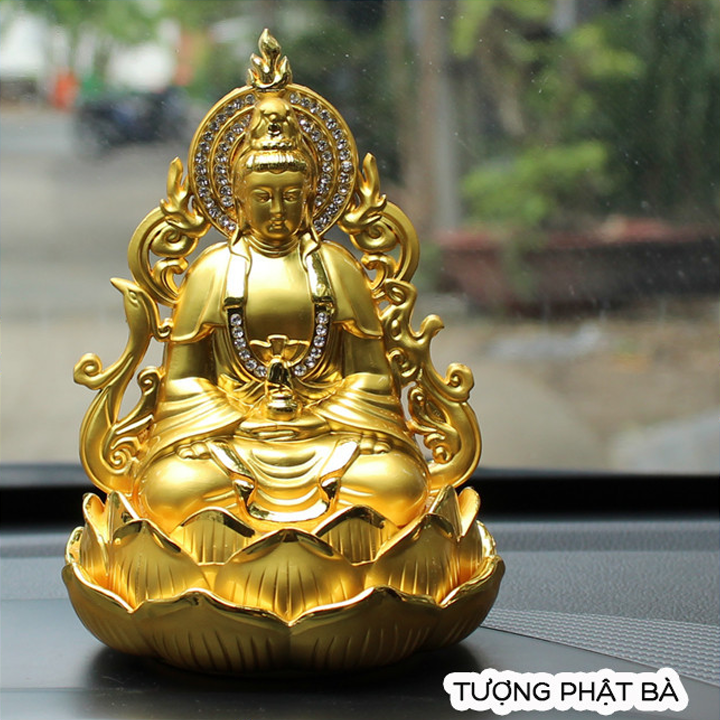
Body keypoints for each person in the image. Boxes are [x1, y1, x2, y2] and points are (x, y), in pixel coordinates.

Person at [132, 94, 429, 533]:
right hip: (233, 442)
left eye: (290, 196)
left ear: (310, 196)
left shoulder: (337, 268)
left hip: (328, 439)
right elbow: (182, 381)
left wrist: (328, 417)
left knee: (396, 484)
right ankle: (347, 535)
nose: (277, 210)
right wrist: (240, 418)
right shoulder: (212, 272)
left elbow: (372, 374)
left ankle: (227, 538)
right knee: (173, 490)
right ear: (237, 199)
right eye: (263, 196)